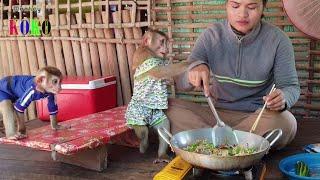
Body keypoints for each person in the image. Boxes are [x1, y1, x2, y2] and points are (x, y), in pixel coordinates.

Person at [168, 0, 300, 150]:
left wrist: (283, 97)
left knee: (286, 123)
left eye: (252, 7)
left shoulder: (278, 40)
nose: (242, 14)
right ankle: (243, 145)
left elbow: (291, 87)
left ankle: (210, 143)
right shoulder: (211, 36)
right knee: (167, 108)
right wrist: (193, 72)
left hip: (257, 118)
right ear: (226, 5)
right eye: (235, 6)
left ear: (264, 7)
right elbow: (182, 83)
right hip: (216, 116)